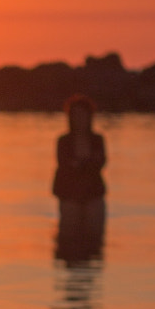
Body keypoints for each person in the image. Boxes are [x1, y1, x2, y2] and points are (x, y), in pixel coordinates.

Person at [53, 94, 106, 260]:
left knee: (95, 236)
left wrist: (80, 164)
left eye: (82, 115)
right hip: (69, 193)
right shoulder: (64, 141)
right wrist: (85, 164)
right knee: (67, 235)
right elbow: (65, 165)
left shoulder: (97, 139)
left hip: (93, 193)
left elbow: (99, 163)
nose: (79, 119)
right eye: (75, 115)